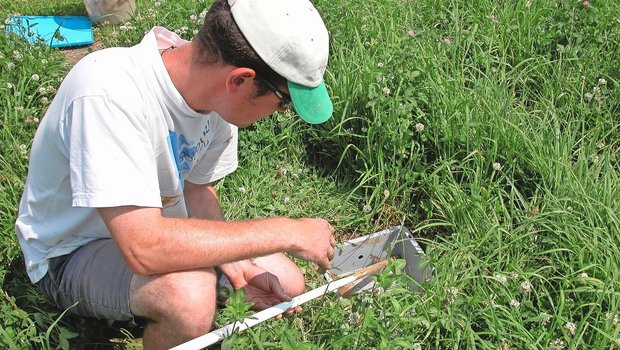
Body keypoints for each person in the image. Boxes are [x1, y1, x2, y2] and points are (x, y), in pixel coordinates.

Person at [14, 0, 336, 348]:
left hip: (153, 231)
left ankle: (173, 296)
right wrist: (283, 230)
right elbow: (143, 249)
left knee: (286, 281)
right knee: (189, 296)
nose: (280, 112)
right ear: (241, 80)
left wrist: (238, 264)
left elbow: (197, 190)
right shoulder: (108, 91)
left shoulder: (216, 101)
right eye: (283, 101)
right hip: (71, 252)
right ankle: (170, 308)